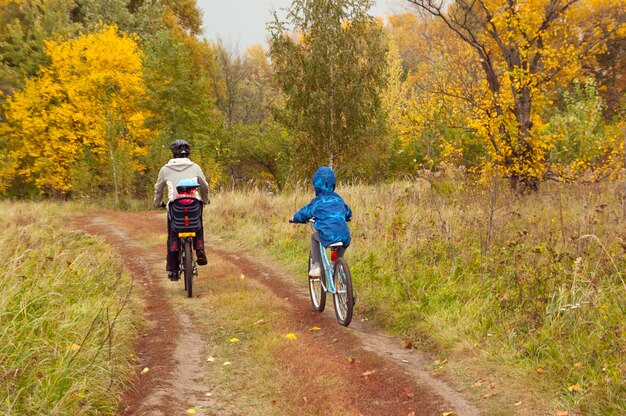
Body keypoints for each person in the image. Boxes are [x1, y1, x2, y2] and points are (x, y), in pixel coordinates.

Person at [154, 140, 210, 281]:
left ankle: (173, 270)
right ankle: (200, 249)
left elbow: (158, 189)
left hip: (175, 206)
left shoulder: (165, 169)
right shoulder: (195, 167)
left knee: (173, 233)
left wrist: (158, 203)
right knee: (198, 226)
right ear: (188, 153)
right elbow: (204, 186)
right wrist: (205, 199)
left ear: (173, 153)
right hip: (193, 205)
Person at [290, 166, 352, 277]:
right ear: (333, 183)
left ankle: (316, 266)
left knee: (314, 237)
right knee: (339, 254)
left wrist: (295, 218)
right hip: (344, 234)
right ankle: (338, 268)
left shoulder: (317, 201)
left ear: (316, 185)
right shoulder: (339, 199)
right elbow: (348, 212)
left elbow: (304, 213)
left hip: (327, 234)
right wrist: (346, 217)